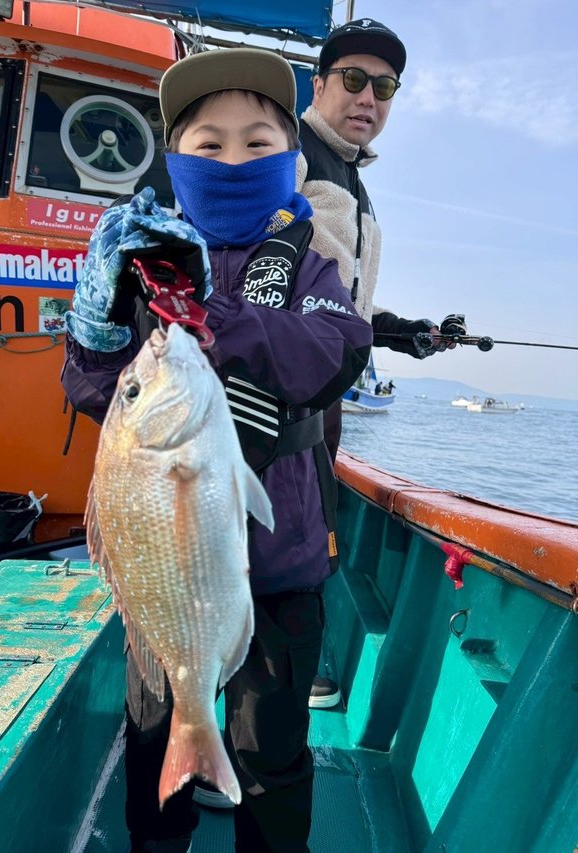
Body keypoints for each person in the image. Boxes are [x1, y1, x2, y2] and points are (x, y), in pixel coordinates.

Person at [61, 48, 372, 853]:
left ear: (291, 159)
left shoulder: (307, 265)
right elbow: (97, 392)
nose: (233, 159)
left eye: (257, 142)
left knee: (272, 756)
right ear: (175, 161)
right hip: (163, 583)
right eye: (210, 144)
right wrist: (94, 329)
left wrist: (220, 321)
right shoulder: (145, 261)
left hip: (280, 569)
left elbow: (336, 349)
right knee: (152, 737)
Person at [297, 18, 467, 710]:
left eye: (385, 86)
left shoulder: (353, 179)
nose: (368, 97)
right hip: (281, 398)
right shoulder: (292, 153)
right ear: (319, 85)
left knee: (308, 539)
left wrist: (408, 334)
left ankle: (288, 665)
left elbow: (347, 304)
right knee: (280, 543)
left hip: (324, 405)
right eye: (354, 79)